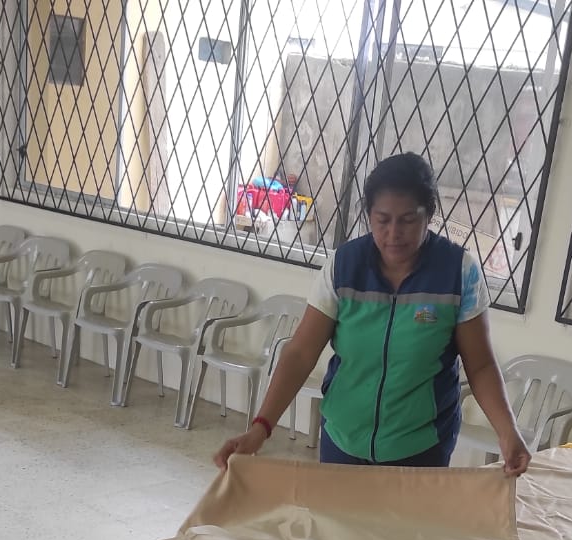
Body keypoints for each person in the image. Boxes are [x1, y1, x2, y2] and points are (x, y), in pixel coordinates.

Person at [214, 153, 530, 475]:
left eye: (408, 220)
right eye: (382, 220)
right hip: (343, 441)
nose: (394, 233)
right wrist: (261, 427)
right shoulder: (343, 266)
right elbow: (300, 353)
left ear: (430, 214)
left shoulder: (458, 273)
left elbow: (481, 365)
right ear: (369, 216)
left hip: (421, 449)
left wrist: (507, 432)